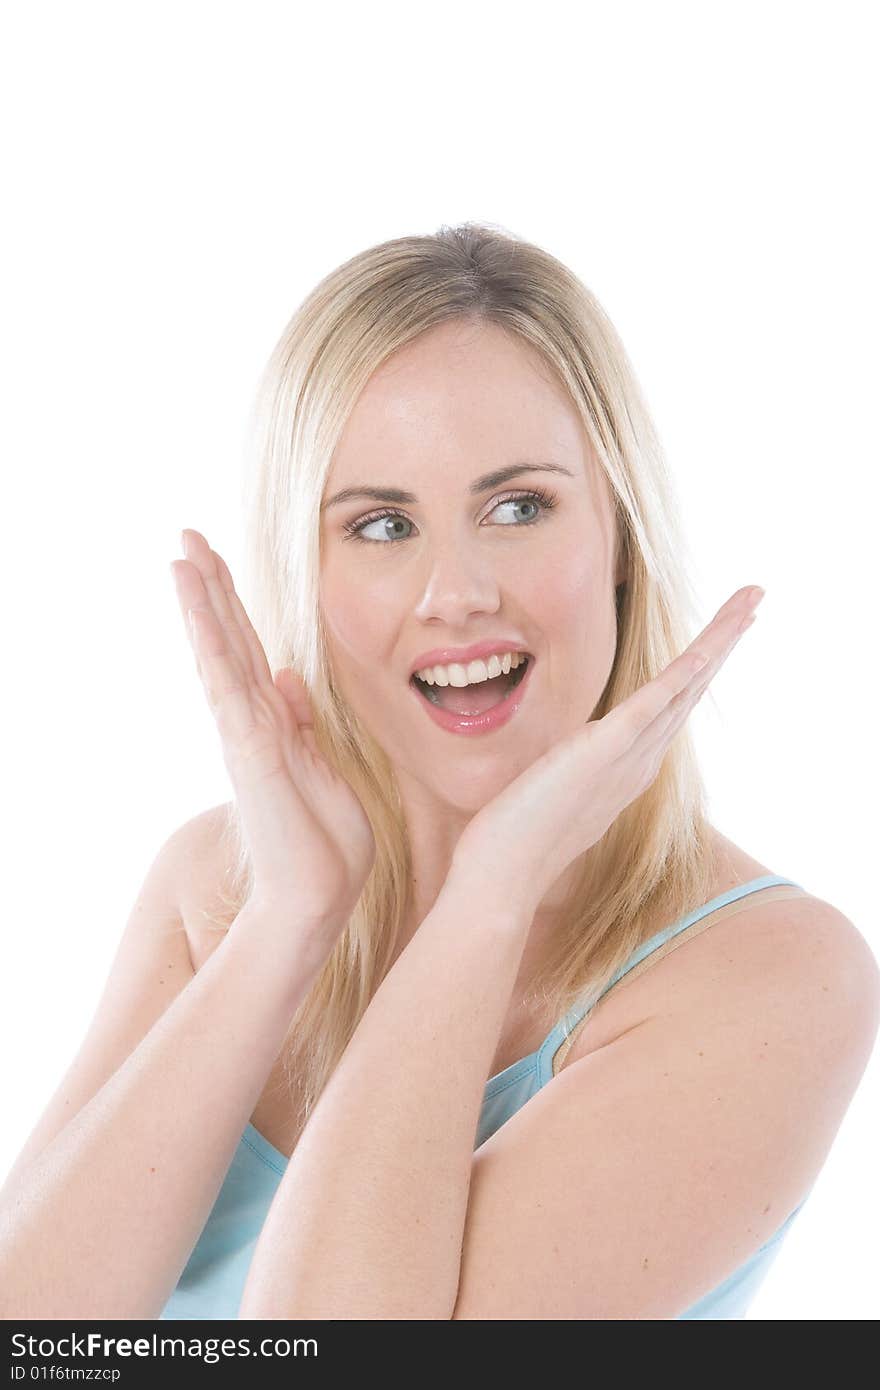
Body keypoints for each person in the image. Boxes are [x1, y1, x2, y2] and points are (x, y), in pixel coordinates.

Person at [1, 223, 876, 1321]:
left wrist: (487, 896)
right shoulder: (214, 886)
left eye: (518, 507)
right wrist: (291, 919)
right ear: (307, 571)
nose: (453, 591)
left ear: (618, 537)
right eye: (380, 524)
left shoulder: (776, 976)